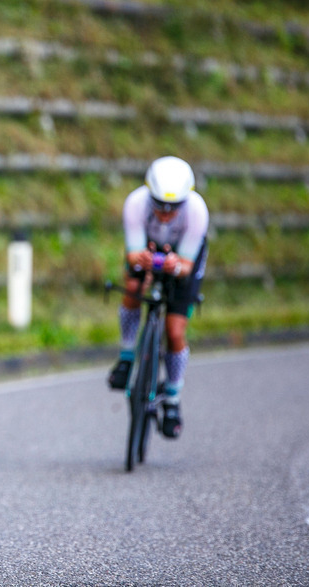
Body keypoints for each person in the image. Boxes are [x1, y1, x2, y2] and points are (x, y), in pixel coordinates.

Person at [107, 156, 209, 439]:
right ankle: (127, 356)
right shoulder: (136, 203)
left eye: (173, 207)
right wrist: (141, 260)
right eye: (159, 205)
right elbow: (132, 253)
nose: (165, 213)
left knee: (174, 331)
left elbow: (187, 265)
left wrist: (175, 265)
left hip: (183, 258)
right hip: (148, 250)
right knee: (133, 288)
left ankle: (173, 399)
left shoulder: (197, 211)